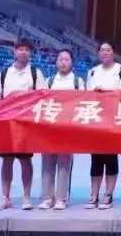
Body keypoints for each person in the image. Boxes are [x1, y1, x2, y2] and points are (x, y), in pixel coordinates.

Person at [0, 40, 47, 211]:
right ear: (14, 52)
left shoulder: (35, 73)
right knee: (6, 160)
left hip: (25, 123)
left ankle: (26, 197)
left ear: (30, 53)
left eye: (27, 50)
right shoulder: (5, 73)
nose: (23, 52)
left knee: (25, 160)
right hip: (6, 123)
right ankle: (5, 198)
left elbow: (42, 96)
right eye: (20, 49)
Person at [85, 42, 121, 210]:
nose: (105, 52)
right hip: (96, 119)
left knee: (111, 158)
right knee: (95, 158)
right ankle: (94, 194)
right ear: (98, 53)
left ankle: (108, 194)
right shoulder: (92, 72)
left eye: (108, 50)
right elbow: (86, 95)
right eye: (102, 50)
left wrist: (106, 92)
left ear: (113, 52)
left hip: (113, 120)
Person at [38, 49, 83, 211]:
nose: (63, 62)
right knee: (47, 163)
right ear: (56, 62)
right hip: (49, 128)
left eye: (66, 60)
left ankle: (61, 198)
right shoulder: (49, 81)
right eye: (60, 59)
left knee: (64, 163)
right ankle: (46, 198)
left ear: (72, 62)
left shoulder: (78, 82)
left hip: (67, 128)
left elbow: (82, 103)